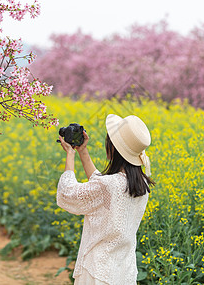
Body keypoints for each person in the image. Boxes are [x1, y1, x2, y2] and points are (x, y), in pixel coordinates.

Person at [57, 114, 155, 285]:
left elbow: (67, 193)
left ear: (113, 149)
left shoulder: (110, 185)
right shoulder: (141, 183)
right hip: (123, 271)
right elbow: (102, 186)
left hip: (98, 272)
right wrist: (83, 151)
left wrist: (70, 155)